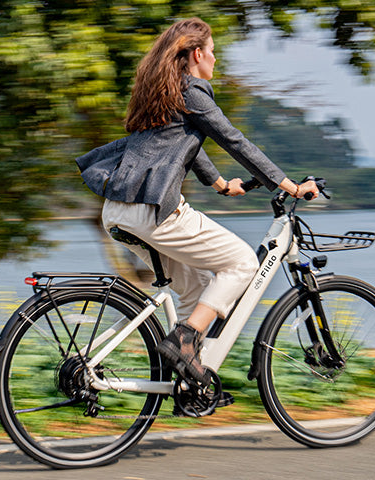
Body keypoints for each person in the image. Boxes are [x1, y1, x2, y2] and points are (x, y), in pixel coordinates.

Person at [76, 18, 318, 387]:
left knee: (196, 289)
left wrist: (221, 184)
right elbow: (234, 141)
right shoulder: (193, 91)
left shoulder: (163, 92)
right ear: (198, 54)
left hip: (117, 211)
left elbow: (181, 143)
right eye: (214, 53)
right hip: (153, 211)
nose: (216, 61)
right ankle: (184, 341)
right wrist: (289, 186)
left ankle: (191, 381)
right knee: (241, 263)